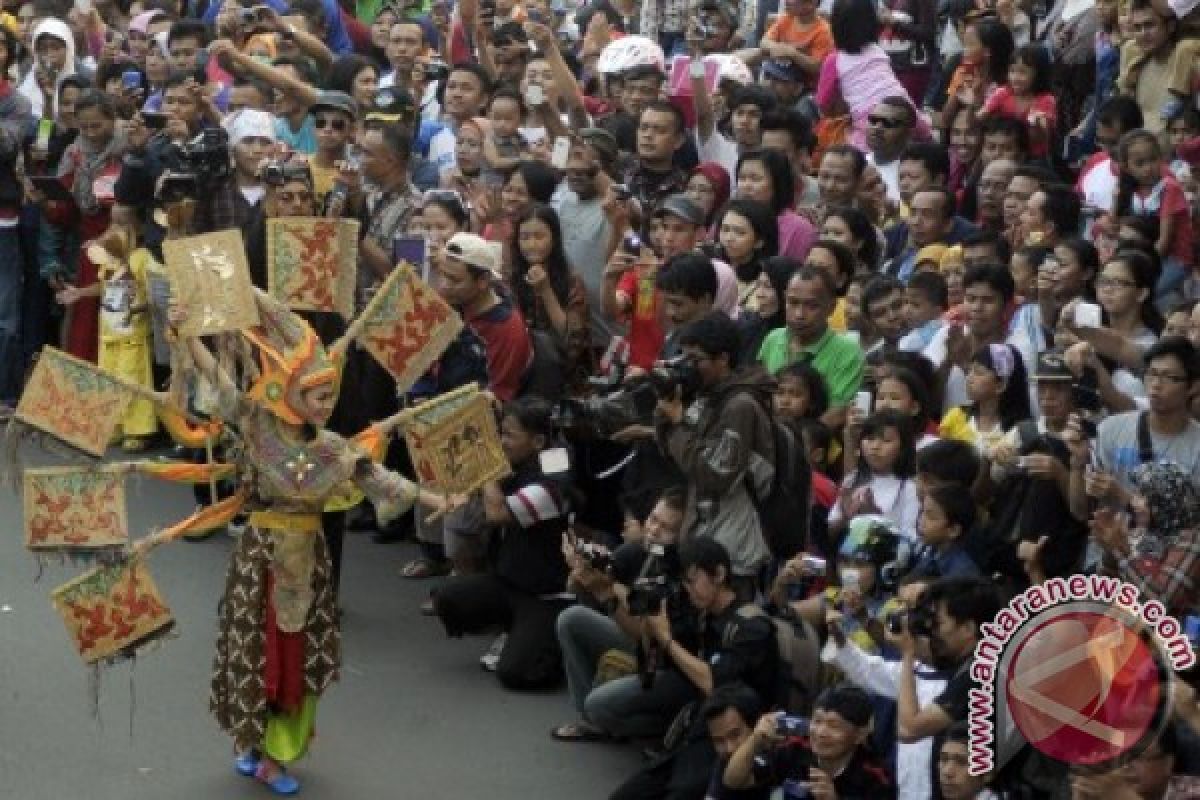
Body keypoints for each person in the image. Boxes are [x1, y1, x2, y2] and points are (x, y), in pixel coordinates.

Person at [160, 292, 449, 796]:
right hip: (259, 559)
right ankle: (258, 751)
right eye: (317, 396)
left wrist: (436, 498)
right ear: (291, 391)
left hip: (306, 563)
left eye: (329, 397)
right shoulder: (255, 424)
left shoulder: (332, 448)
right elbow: (219, 383)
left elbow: (380, 479)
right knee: (255, 652)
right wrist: (186, 334)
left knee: (292, 657)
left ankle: (272, 752)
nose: (325, 404)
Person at [609, 538, 779, 800]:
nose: (688, 590)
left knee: (680, 793)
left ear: (720, 574)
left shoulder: (751, 627)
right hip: (700, 725)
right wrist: (648, 625)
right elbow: (652, 667)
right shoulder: (699, 613)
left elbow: (712, 682)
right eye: (684, 583)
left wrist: (666, 638)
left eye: (693, 580)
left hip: (736, 737)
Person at [433, 397, 574, 688]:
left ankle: (551, 645)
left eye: (509, 435)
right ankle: (510, 627)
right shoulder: (532, 456)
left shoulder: (554, 482)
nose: (501, 441)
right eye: (500, 432)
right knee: (446, 597)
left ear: (537, 441)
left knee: (515, 673)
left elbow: (496, 513)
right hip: (510, 580)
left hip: (545, 593)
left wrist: (487, 468)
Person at [552, 488, 696, 742]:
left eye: (667, 528)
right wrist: (582, 567)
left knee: (599, 706)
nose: (653, 530)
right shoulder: (636, 550)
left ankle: (669, 728)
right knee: (570, 619)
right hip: (643, 649)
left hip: (669, 664)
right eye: (653, 519)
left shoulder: (679, 570)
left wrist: (607, 592)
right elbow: (572, 588)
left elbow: (646, 635)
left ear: (683, 535)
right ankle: (591, 720)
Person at [656, 312, 774, 589]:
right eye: (682, 358)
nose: (688, 367)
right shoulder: (707, 396)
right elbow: (671, 450)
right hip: (704, 532)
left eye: (695, 361)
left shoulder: (740, 404)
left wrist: (678, 423)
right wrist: (666, 401)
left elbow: (715, 475)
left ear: (722, 359)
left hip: (734, 547)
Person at [723, 685, 893, 797]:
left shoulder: (877, 778)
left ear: (860, 735)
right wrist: (755, 739)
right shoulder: (795, 747)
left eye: (834, 725)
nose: (820, 732)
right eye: (817, 721)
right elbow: (734, 781)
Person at [896, 577, 1004, 742]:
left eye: (938, 624)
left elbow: (909, 729)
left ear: (968, 628)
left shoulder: (979, 674)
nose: (933, 632)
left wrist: (907, 653)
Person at [758, 265, 866, 429]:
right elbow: (760, 395)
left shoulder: (848, 352)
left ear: (831, 307)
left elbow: (836, 413)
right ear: (784, 299)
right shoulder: (773, 339)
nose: (799, 314)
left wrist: (793, 441)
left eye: (811, 305)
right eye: (793, 303)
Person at [436, 232, 533, 403]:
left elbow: (498, 397)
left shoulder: (507, 329)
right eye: (442, 275)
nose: (444, 286)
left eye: (454, 280)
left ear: (483, 281)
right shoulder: (452, 303)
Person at [817, 0, 923, 152]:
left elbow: (823, 102)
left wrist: (840, 108)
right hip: (905, 108)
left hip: (869, 121)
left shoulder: (834, 60)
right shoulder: (877, 50)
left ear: (835, 25)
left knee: (859, 155)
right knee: (923, 139)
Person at [734, 148, 816, 262]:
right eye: (742, 178)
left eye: (755, 179)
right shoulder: (727, 217)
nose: (746, 185)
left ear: (777, 183)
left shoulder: (799, 229)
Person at [978, 43, 1057, 160]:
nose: (1015, 78)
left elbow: (1039, 138)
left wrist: (1036, 126)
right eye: (1012, 71)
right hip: (1002, 154)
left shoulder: (1045, 100)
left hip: (1033, 157)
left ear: (1038, 74)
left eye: (1022, 72)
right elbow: (980, 118)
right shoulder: (1003, 93)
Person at [714, 198, 779, 309]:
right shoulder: (711, 264)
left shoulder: (764, 280)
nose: (729, 238)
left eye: (739, 232)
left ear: (759, 241)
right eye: (725, 229)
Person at [865, 96, 916, 206]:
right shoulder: (859, 164)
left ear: (909, 133)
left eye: (889, 123)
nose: (877, 127)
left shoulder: (913, 176)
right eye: (873, 120)